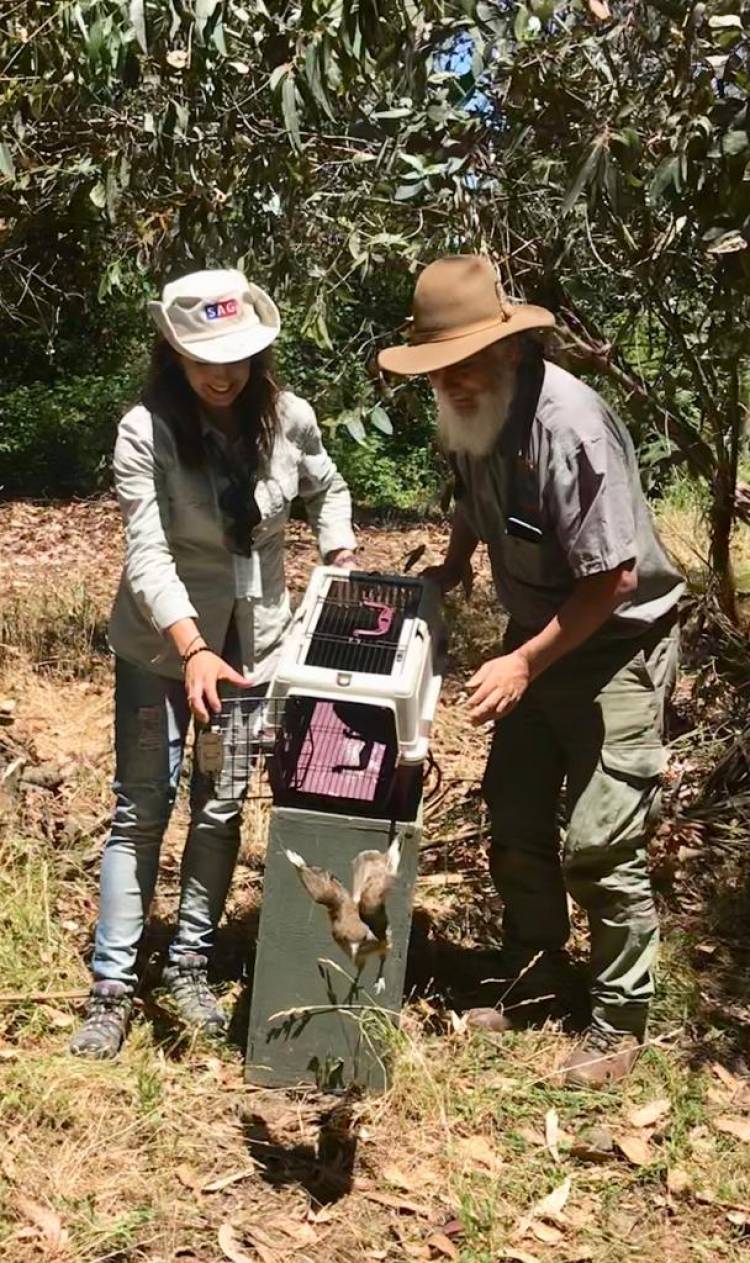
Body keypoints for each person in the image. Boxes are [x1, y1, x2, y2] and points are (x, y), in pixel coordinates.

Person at [378, 255, 684, 1087]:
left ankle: (620, 1021)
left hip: (616, 641)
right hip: (538, 632)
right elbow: (473, 497)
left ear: (509, 350)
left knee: (599, 840)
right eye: (438, 367)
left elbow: (612, 579)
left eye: (465, 362)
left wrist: (520, 658)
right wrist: (453, 564)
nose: (451, 380)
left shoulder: (568, 425)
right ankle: (536, 979)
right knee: (512, 813)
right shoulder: (469, 407)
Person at [70, 269, 357, 1059]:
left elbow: (329, 486)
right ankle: (112, 984)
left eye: (235, 356)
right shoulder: (146, 429)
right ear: (173, 350)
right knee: (142, 806)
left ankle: (189, 960)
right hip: (162, 647)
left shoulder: (288, 418)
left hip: (251, 647)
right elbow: (146, 549)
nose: (220, 373)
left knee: (222, 803)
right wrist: (191, 647)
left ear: (260, 354)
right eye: (203, 356)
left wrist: (338, 546)